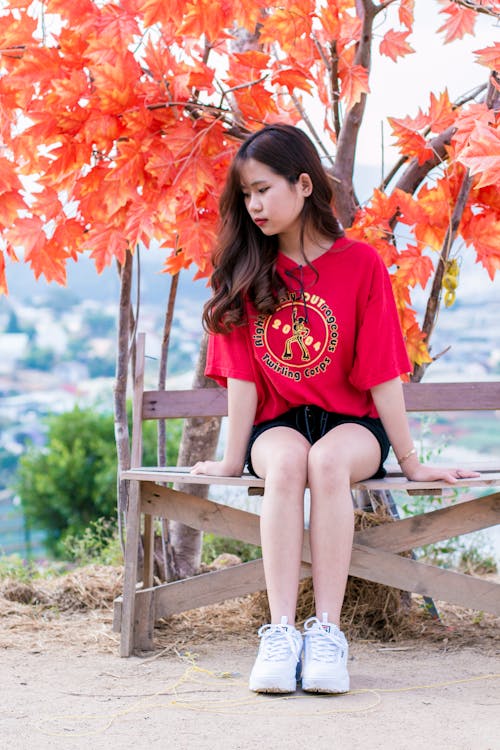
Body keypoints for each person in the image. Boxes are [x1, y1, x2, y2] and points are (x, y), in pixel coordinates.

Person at [191, 123, 479, 695]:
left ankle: (326, 633)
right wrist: (229, 461)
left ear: (303, 185)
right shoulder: (247, 272)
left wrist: (413, 461)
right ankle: (279, 633)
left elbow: (380, 373)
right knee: (290, 462)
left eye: (263, 190)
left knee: (325, 462)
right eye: (245, 195)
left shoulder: (360, 265)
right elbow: (244, 379)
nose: (253, 206)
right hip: (277, 425)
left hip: (352, 427)